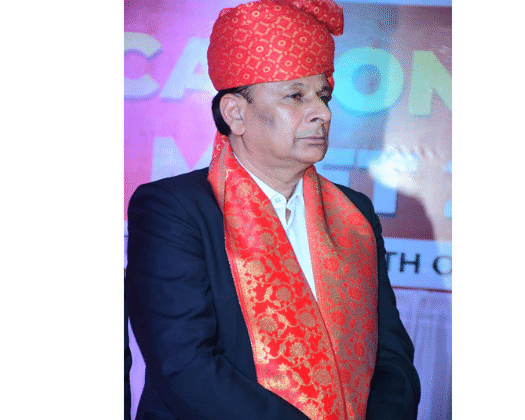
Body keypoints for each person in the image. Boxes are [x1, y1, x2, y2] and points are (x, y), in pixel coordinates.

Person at [125, 1, 421, 419]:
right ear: (236, 114)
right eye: (295, 96)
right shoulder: (174, 210)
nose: (322, 112)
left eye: (323, 95)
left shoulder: (354, 214)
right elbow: (186, 366)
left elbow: (391, 356)